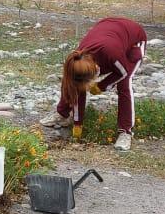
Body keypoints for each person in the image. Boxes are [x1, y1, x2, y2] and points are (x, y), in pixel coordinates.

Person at [40, 17, 148, 151]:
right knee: (72, 80)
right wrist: (78, 124)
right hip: (109, 28)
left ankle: (125, 132)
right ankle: (63, 114)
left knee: (124, 84)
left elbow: (123, 72)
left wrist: (101, 86)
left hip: (134, 39)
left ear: (97, 68)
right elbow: (77, 85)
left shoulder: (111, 54)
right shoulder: (78, 57)